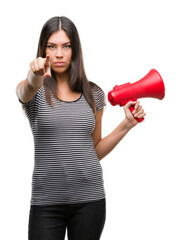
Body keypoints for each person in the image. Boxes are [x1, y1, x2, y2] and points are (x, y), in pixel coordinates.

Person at [16, 16, 146, 240]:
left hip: (90, 200)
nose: (59, 53)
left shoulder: (93, 93)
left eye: (66, 46)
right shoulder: (33, 92)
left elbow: (94, 150)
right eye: (52, 46)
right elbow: (24, 91)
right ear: (43, 49)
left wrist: (127, 125)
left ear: (74, 50)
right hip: (46, 203)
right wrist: (33, 77)